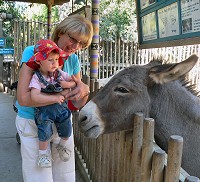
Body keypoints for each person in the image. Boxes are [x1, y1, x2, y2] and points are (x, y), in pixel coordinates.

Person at [16, 14, 93, 182]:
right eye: (73, 39)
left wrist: (84, 91)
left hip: (61, 120)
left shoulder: (73, 60)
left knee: (65, 176)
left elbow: (76, 102)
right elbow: (23, 98)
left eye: (82, 44)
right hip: (33, 122)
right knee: (39, 177)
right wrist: (60, 96)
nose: (75, 46)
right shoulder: (33, 52)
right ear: (61, 33)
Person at [27, 39, 77, 168]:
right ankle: (42, 155)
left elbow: (74, 81)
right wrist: (54, 98)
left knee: (67, 129)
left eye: (56, 59)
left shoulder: (59, 73)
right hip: (45, 111)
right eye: (50, 60)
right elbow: (34, 96)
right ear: (39, 61)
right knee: (44, 131)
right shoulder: (37, 78)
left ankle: (62, 146)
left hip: (61, 109)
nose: (55, 63)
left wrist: (67, 84)